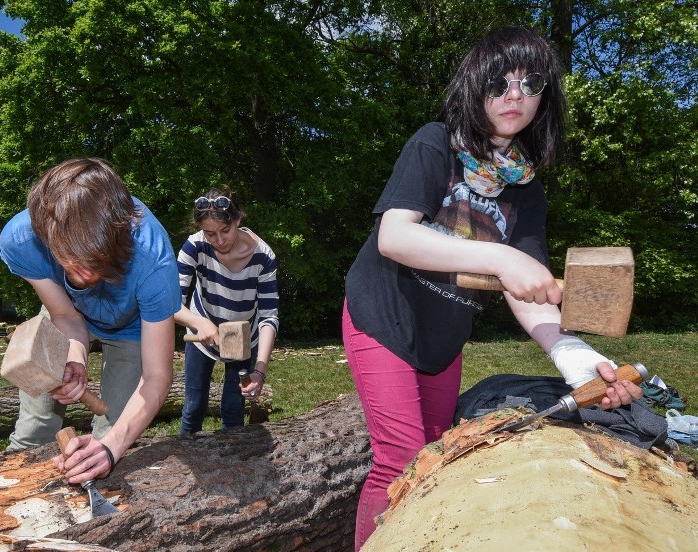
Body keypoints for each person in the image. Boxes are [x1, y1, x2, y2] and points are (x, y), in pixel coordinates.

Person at [342, 27, 643, 549]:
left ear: (544, 99)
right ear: (473, 88)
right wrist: (502, 256)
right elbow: (394, 236)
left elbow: (530, 292)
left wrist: (572, 354)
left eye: (531, 84)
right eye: (499, 82)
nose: (514, 95)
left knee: (437, 454)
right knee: (400, 460)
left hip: (444, 336)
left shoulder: (526, 190)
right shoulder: (435, 143)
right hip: (383, 313)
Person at [0, 157, 181, 484]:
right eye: (72, 261)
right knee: (35, 427)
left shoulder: (154, 263)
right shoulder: (22, 241)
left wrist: (110, 448)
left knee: (112, 429)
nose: (84, 275)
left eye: (95, 263)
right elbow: (66, 314)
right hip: (66, 312)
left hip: (132, 329)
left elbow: (156, 376)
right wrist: (75, 359)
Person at [175, 189, 279, 434]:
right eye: (210, 233)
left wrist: (259, 372)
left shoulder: (263, 257)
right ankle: (190, 465)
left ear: (238, 219)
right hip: (201, 334)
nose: (219, 240)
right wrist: (199, 323)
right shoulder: (195, 246)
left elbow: (268, 316)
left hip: (242, 340)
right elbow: (169, 303)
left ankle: (231, 468)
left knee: (233, 411)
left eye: (225, 230)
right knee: (193, 407)